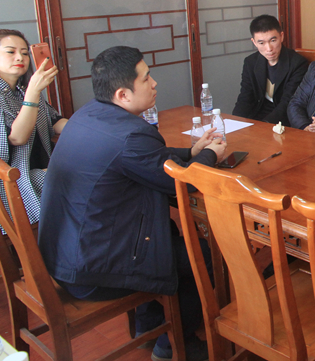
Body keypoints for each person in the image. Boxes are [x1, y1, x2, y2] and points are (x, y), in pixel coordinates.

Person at [38, 46, 227, 361]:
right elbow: (179, 183)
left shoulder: (87, 114)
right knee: (203, 255)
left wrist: (192, 153)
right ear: (123, 95)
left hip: (66, 253)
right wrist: (210, 156)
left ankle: (149, 326)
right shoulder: (131, 135)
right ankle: (173, 345)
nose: (154, 83)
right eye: (146, 78)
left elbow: (147, 160)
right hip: (92, 269)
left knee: (170, 240)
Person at [0, 29, 67, 230]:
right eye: (10, 52)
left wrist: (88, 129)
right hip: (13, 181)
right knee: (82, 176)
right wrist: (33, 92)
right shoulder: (28, 91)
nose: (20, 57)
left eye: (24, 53)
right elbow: (17, 138)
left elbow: (54, 120)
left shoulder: (21, 91)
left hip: (36, 169)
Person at [232, 14, 308, 124]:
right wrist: (234, 122)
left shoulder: (297, 63)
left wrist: (264, 126)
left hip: (284, 120)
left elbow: (288, 102)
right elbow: (245, 98)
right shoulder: (250, 62)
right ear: (254, 42)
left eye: (273, 40)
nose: (269, 49)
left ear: (281, 36)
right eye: (261, 43)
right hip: (257, 116)